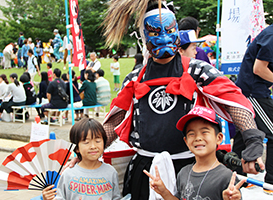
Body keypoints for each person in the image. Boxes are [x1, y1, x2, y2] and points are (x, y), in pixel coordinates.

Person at [98, 1, 264, 199]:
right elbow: (115, 120)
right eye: (154, 31)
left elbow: (233, 101)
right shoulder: (135, 78)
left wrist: (252, 139)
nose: (164, 37)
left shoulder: (198, 70)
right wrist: (84, 152)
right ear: (143, 35)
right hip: (145, 171)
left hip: (190, 169)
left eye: (169, 29)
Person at [144, 106, 245, 200]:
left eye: (204, 132)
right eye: (191, 134)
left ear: (219, 138)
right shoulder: (183, 173)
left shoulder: (226, 176)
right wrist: (164, 192)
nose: (198, 138)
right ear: (186, 141)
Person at [42, 118, 121, 200]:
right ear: (76, 148)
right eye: (86, 142)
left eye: (98, 141)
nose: (93, 146)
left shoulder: (111, 172)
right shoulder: (68, 174)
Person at [235, 24, 273, 195]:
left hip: (252, 90)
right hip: (252, 92)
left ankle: (236, 178)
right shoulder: (272, 35)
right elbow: (259, 68)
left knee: (243, 134)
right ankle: (271, 181)